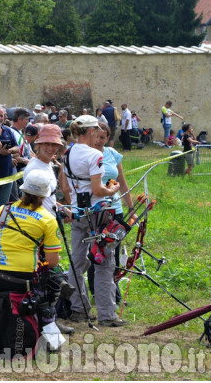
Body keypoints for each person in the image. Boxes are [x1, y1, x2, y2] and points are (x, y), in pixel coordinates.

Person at [0, 170, 73, 334]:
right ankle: (49, 324)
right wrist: (42, 261)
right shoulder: (47, 219)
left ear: (23, 189)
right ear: (45, 196)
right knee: (52, 277)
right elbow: (52, 261)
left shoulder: (4, 210)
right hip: (21, 279)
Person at [63, 115, 122, 327]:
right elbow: (98, 190)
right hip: (99, 212)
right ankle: (107, 314)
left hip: (79, 212)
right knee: (105, 262)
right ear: (91, 131)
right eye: (96, 131)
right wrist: (113, 189)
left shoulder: (68, 152)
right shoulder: (95, 156)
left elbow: (66, 186)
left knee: (77, 263)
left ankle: (79, 309)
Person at [87, 121, 134, 305]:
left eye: (103, 137)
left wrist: (130, 208)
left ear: (107, 138)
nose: (99, 140)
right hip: (96, 211)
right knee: (96, 253)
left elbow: (122, 182)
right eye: (96, 136)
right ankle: (97, 292)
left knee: (113, 253)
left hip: (115, 211)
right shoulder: (86, 155)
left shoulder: (113, 154)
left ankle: (112, 292)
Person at [22, 124, 64, 215]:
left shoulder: (46, 163)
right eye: (46, 144)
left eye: (54, 144)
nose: (50, 148)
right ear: (39, 144)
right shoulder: (35, 170)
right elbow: (32, 203)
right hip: (40, 223)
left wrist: (61, 209)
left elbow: (47, 198)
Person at [0, 105, 17, 210]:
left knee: (3, 206)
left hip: (8, 174)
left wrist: (10, 151)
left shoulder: (8, 130)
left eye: (1, 116)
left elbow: (17, 147)